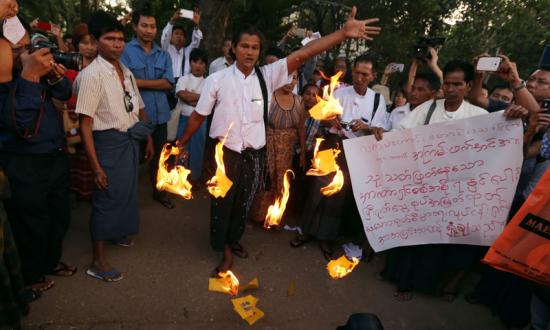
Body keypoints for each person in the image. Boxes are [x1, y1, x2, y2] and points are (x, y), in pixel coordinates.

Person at [176, 7, 381, 275]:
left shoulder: (268, 75)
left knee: (245, 201)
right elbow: (198, 117)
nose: (249, 52)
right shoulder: (216, 79)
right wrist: (181, 143)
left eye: (255, 47)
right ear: (234, 49)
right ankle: (221, 246)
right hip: (225, 153)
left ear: (259, 51)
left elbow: (304, 54)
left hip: (255, 154)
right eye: (244, 46)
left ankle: (234, 240)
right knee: (222, 202)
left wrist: (342, 34)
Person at [76, 10, 154, 282]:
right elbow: (85, 125)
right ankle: (97, 261)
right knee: (106, 197)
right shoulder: (92, 76)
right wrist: (96, 167)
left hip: (130, 140)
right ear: (97, 42)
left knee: (127, 192)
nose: (117, 44)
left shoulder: (126, 71)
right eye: (110, 39)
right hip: (107, 144)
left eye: (121, 39)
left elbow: (139, 107)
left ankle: (118, 232)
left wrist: (148, 138)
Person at [1, 19, 76, 293]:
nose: (27, 53)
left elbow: (66, 93)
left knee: (59, 215)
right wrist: (30, 76)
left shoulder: (36, 70)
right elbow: (22, 125)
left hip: (55, 155)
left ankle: (50, 262)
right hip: (24, 161)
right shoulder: (6, 81)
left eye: (28, 46)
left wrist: (54, 75)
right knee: (31, 222)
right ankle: (30, 276)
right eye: (18, 49)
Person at [291, 55, 387, 260]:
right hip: (331, 143)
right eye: (357, 72)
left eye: (365, 74)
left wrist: (367, 127)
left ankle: (326, 237)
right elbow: (321, 119)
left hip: (354, 150)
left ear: (373, 76)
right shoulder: (339, 92)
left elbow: (380, 131)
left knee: (338, 195)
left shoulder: (377, 100)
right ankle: (307, 231)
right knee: (317, 187)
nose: (360, 77)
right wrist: (330, 119)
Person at [121, 4, 175, 209]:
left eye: (152, 26)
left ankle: (159, 192)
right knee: (132, 158)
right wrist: (156, 83)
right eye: (144, 25)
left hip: (160, 115)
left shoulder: (164, 54)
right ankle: (127, 198)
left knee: (160, 157)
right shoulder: (125, 51)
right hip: (133, 116)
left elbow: (168, 83)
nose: (148, 30)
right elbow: (125, 83)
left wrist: (138, 82)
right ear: (135, 26)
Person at [250, 70, 305, 223]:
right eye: (287, 77)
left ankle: (274, 217)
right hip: (267, 144)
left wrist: (302, 153)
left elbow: (301, 128)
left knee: (282, 180)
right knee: (264, 177)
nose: (290, 81)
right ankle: (258, 216)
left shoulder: (300, 101)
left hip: (287, 149)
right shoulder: (270, 97)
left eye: (294, 78)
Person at [64, 23, 97, 201]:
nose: (89, 47)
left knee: (89, 158)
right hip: (71, 119)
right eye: (84, 42)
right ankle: (76, 192)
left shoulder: (103, 66)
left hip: (94, 119)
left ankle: (91, 193)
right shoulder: (67, 64)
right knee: (74, 158)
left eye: (93, 42)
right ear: (77, 43)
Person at [174, 48, 208, 183]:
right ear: (190, 63)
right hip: (184, 118)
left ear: (205, 65)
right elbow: (183, 96)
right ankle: (180, 178)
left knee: (198, 149)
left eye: (201, 63)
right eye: (195, 62)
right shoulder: (183, 79)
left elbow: (207, 102)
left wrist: (190, 97)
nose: (198, 66)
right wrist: (201, 98)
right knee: (182, 146)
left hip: (201, 120)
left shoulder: (209, 82)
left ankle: (194, 178)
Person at [373, 72, 440, 131]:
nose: (414, 93)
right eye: (413, 88)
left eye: (420, 90)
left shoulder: (436, 116)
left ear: (433, 94)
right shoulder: (396, 112)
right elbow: (386, 133)